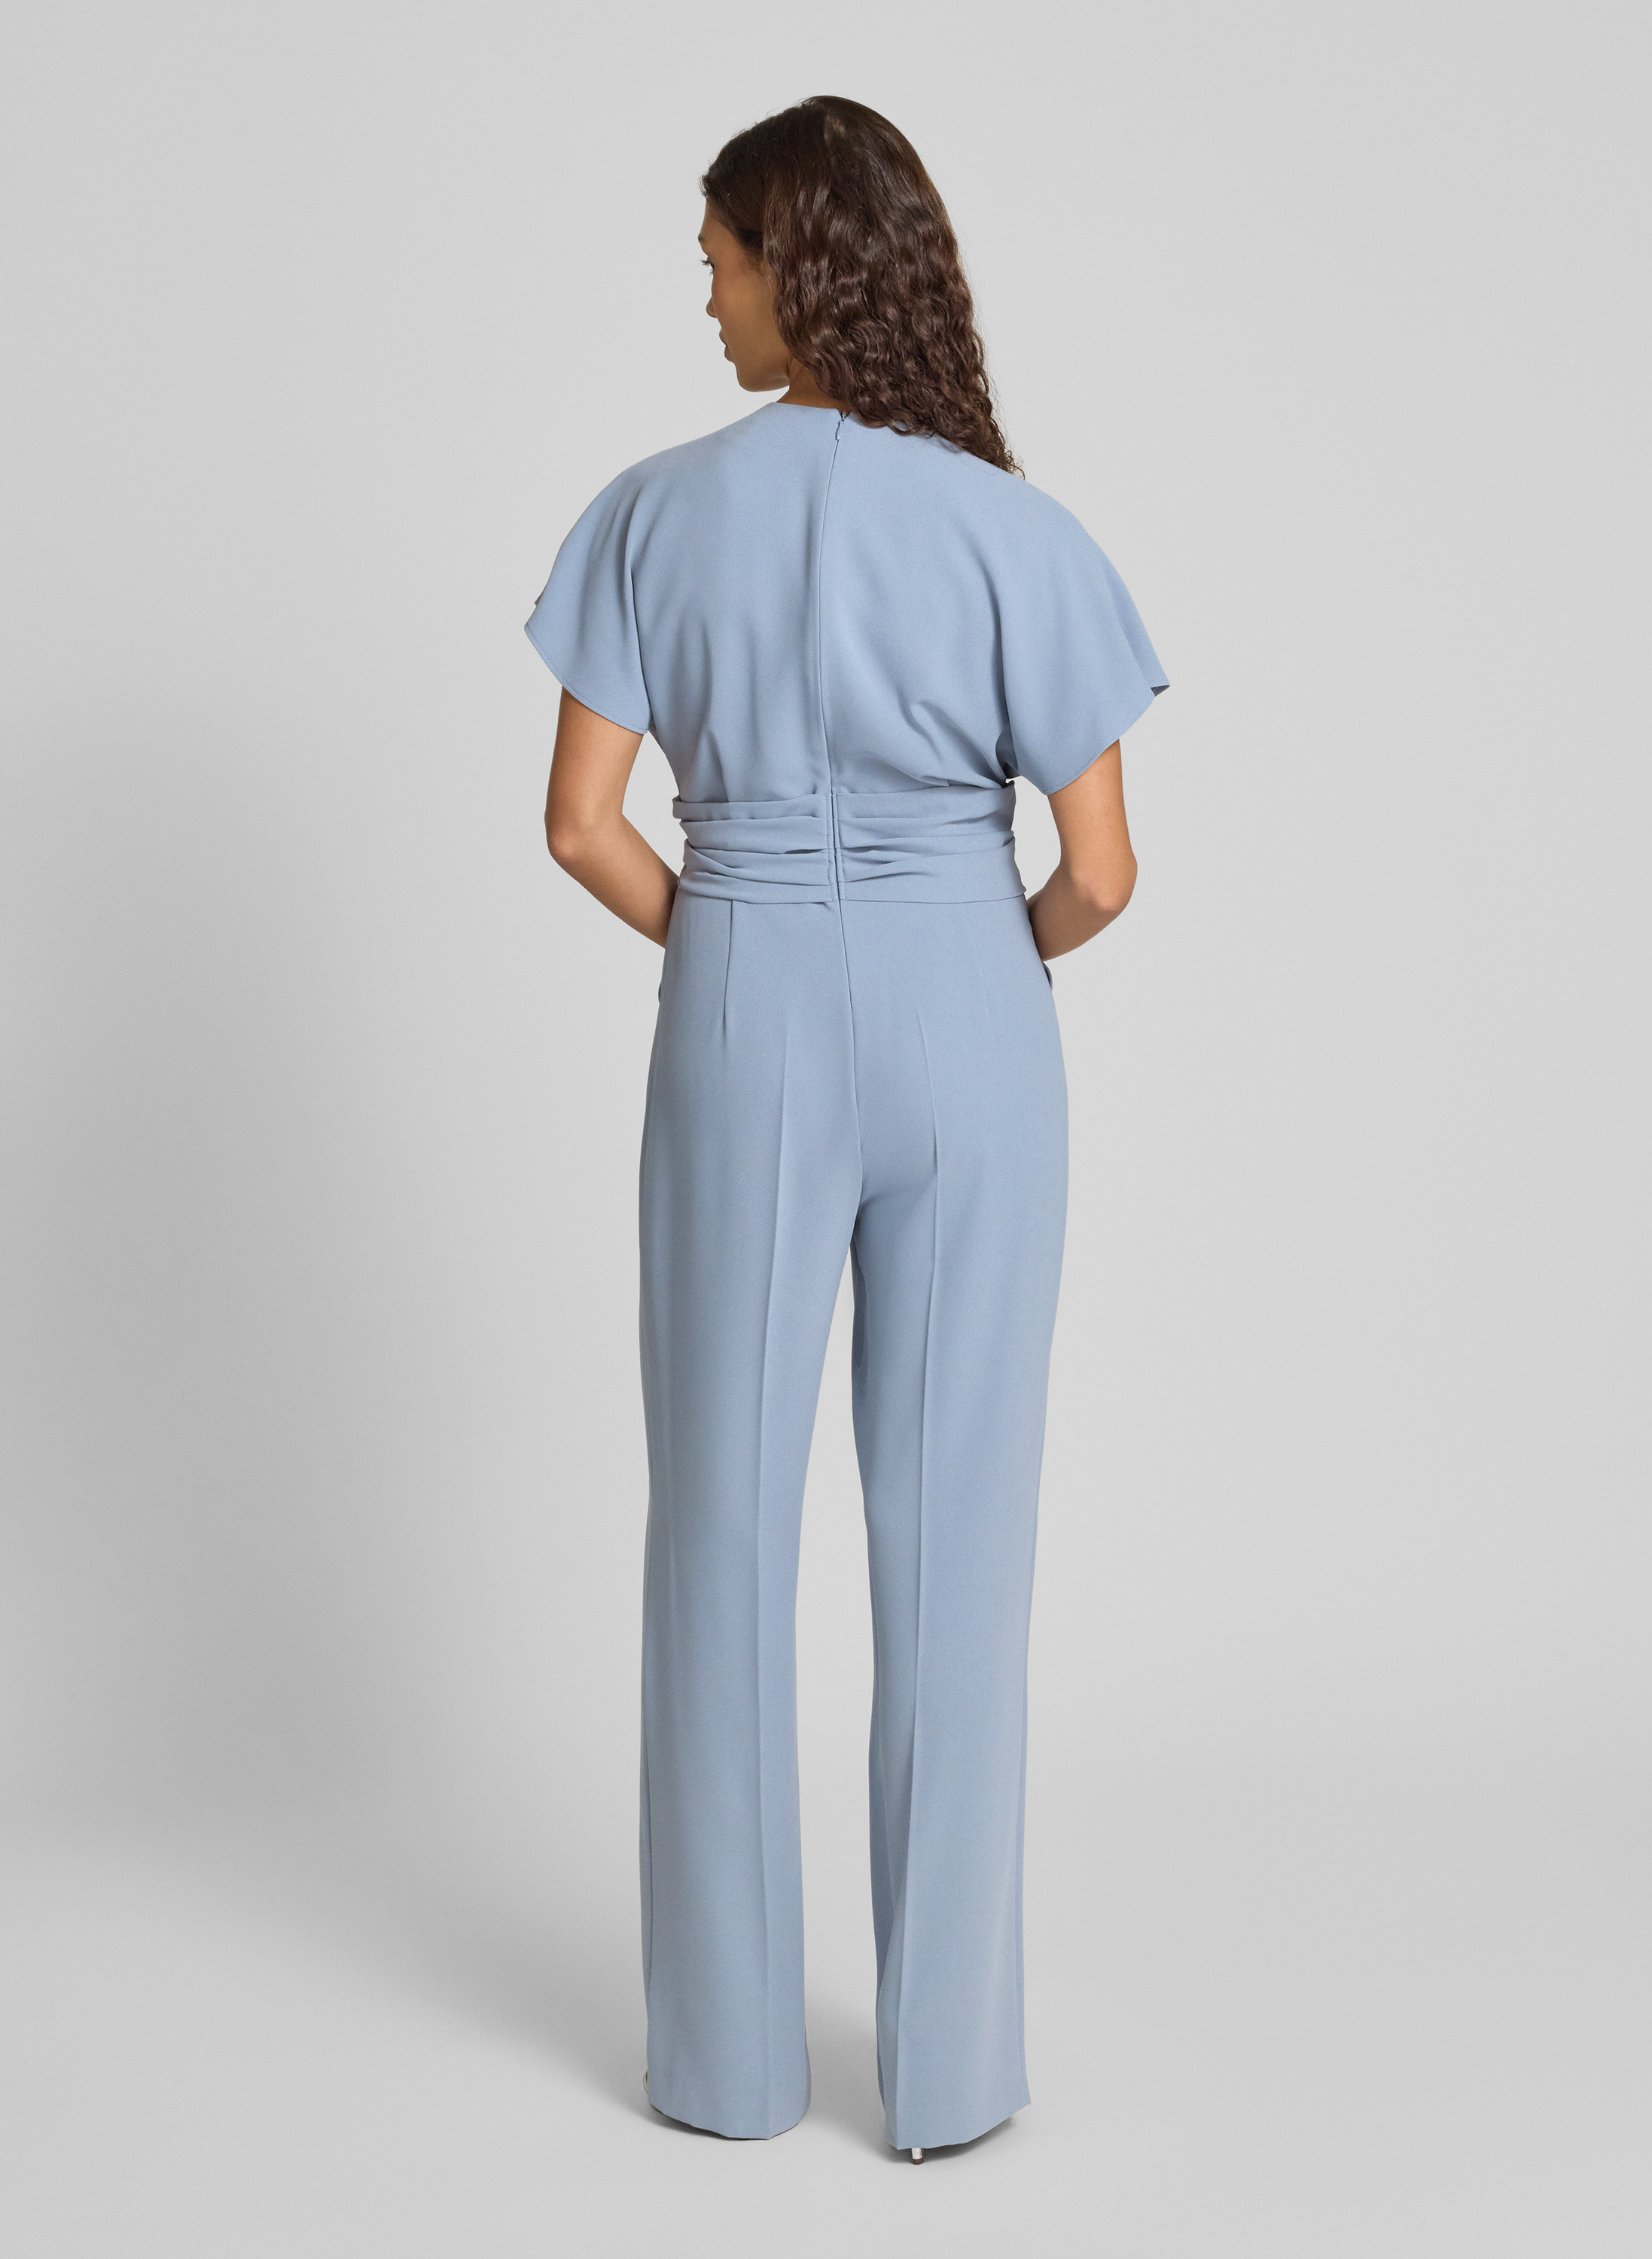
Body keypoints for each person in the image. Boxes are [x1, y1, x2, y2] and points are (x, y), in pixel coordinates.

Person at [526, 94, 1166, 2161]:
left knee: (717, 1524)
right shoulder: (1012, 528)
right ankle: (951, 2076)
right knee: (958, 1534)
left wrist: (739, 938)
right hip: (973, 1012)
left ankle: (721, 2067)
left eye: (717, 260)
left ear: (793, 267)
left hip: (745, 1007)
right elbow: (1100, 873)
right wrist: (976, 961)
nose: (705, 297)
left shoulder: (650, 511)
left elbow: (581, 828)